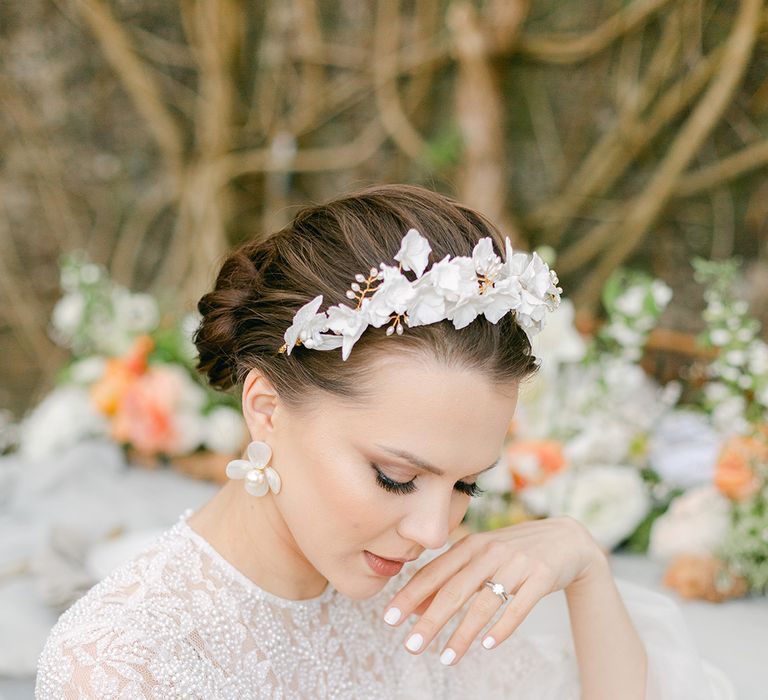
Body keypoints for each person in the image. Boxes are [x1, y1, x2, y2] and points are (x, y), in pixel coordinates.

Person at [36, 184, 723, 699]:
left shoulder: (414, 600)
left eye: (465, 485)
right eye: (395, 477)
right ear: (266, 410)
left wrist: (585, 562)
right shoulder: (121, 662)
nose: (431, 532)